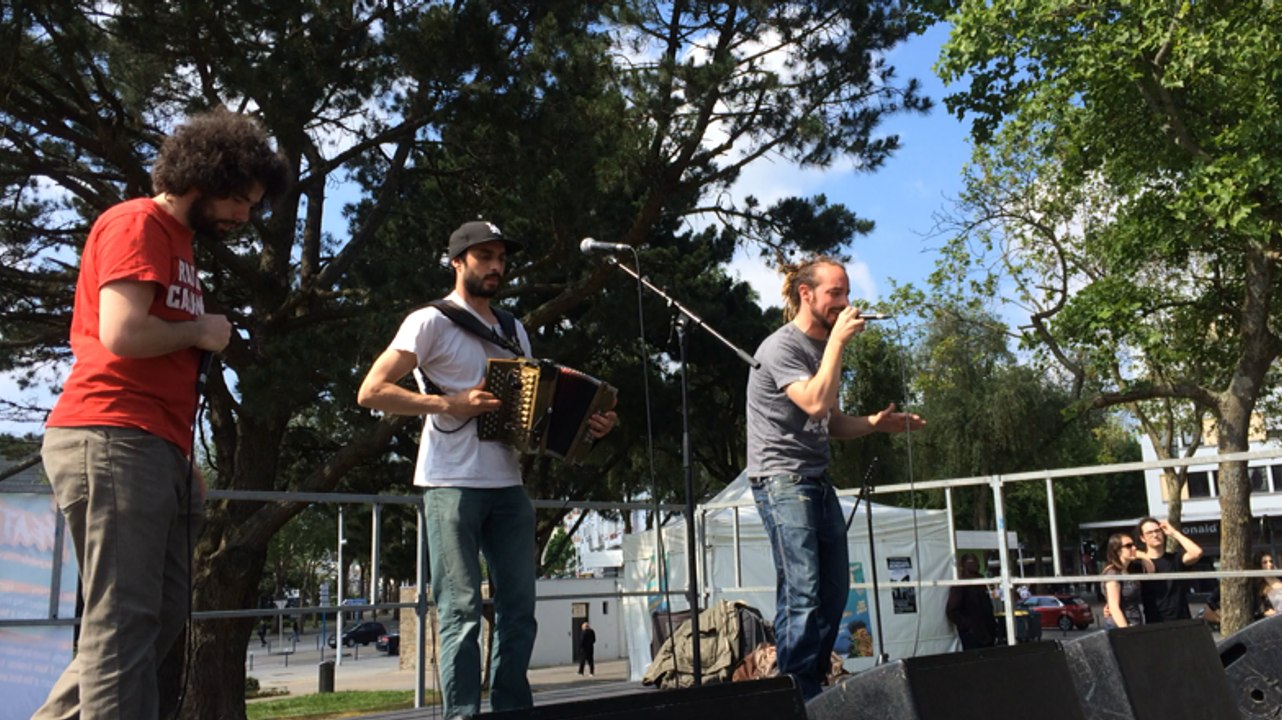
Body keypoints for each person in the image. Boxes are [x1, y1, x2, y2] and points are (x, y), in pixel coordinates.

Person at [33, 108, 289, 720]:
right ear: (206, 174)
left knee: (158, 614)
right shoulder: (136, 222)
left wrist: (180, 458)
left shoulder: (178, 243)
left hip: (153, 446)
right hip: (110, 432)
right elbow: (122, 335)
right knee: (123, 622)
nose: (244, 218)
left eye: (252, 207)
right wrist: (203, 328)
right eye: (238, 201)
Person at [357, 220, 617, 719]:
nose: (496, 265)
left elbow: (536, 409)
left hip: (508, 484)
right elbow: (371, 390)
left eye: (501, 257)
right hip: (450, 482)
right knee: (460, 612)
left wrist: (589, 423)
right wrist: (447, 403)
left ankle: (511, 709)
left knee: (520, 611)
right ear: (458, 262)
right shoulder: (429, 321)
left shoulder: (513, 328)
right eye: (484, 256)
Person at [745, 256, 924, 702]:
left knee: (833, 592)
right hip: (782, 479)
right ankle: (795, 692)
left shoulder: (823, 349)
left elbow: (831, 422)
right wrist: (839, 343)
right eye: (835, 294)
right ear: (806, 294)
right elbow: (814, 403)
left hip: (815, 480)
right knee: (802, 591)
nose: (845, 303)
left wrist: (874, 423)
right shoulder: (782, 347)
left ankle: (811, 684)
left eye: (846, 293)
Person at [1137, 517, 1203, 622]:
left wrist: (1174, 533)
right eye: (1149, 532)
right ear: (1142, 538)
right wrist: (1141, 556)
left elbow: (1197, 552)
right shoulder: (1138, 564)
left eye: (1157, 531)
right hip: (1155, 623)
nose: (1155, 535)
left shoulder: (1175, 558)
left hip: (1182, 620)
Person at [946, 553, 998, 650]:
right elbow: (952, 610)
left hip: (987, 632)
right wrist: (969, 626)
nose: (976, 565)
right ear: (963, 565)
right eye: (971, 562)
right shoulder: (960, 584)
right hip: (973, 635)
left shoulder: (980, 582)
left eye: (977, 562)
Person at [1101, 533, 1152, 628]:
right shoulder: (1113, 572)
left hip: (1135, 623)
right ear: (1117, 550)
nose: (1134, 548)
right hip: (1121, 625)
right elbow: (1114, 607)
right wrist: (1126, 630)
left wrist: (1143, 555)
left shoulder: (1128, 569)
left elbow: (1151, 571)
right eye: (1128, 546)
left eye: (1134, 544)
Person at [1252, 550, 1282, 619]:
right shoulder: (1258, 586)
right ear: (1259, 565)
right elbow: (1256, 611)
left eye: (1271, 561)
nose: (1269, 564)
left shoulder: (1280, 577)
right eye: (1265, 562)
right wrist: (1265, 613)